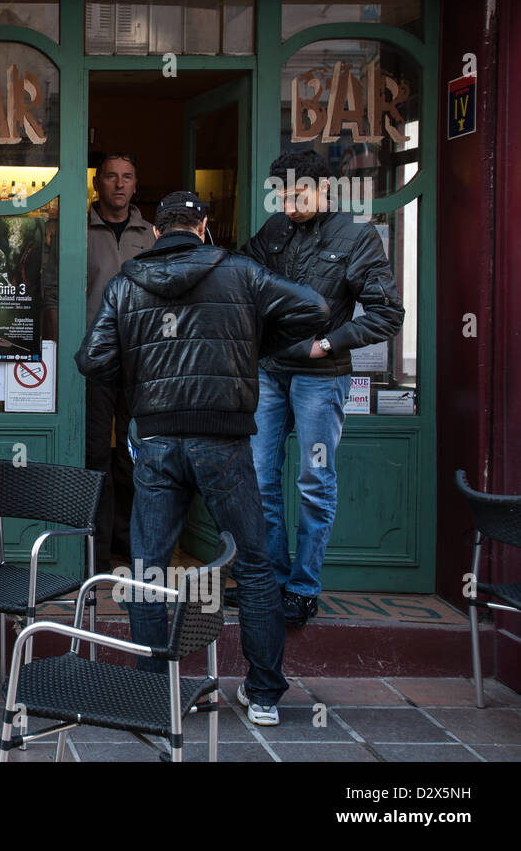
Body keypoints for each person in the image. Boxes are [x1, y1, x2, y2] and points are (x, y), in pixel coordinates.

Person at [76, 191, 328, 725]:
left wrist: (139, 368)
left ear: (160, 229)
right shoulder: (242, 273)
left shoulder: (126, 282)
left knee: (147, 569)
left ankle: (153, 691)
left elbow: (92, 359)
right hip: (225, 442)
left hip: (159, 440)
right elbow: (314, 307)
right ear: (204, 225)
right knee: (255, 567)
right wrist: (250, 342)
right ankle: (262, 696)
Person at [241, 151, 406, 627]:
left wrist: (328, 343)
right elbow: (242, 283)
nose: (290, 203)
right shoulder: (273, 231)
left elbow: (387, 314)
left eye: (301, 194)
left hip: (321, 376)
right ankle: (270, 583)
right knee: (258, 478)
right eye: (284, 194)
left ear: (327, 189)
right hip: (269, 371)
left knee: (314, 482)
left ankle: (303, 586)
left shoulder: (357, 236)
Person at [84, 152, 155, 573]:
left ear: (135, 184)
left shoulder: (151, 234)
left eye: (127, 176)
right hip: (94, 360)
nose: (119, 184)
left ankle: (130, 545)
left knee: (134, 453)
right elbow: (55, 292)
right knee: (95, 452)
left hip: (141, 359)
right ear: (98, 184)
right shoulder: (80, 229)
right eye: (111, 176)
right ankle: (96, 549)